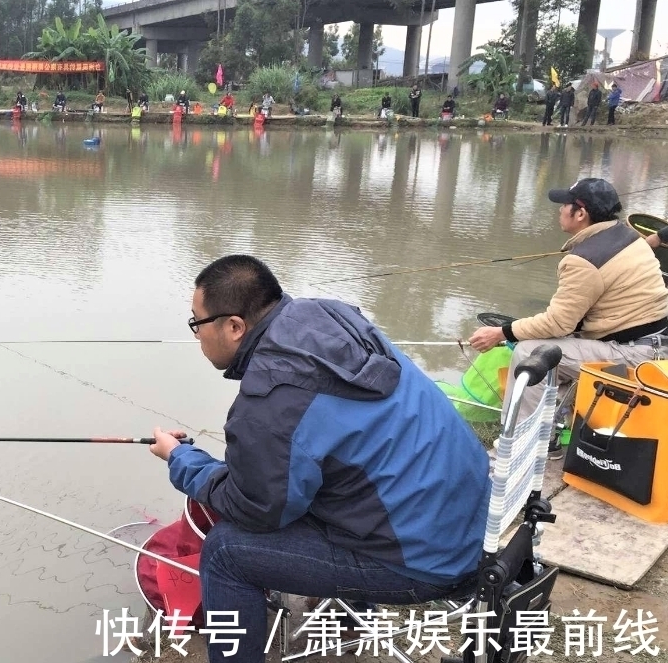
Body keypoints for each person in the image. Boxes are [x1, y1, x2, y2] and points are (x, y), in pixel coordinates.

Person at [150, 255, 492, 663]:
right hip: (473, 522)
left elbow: (255, 508)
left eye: (197, 323)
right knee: (325, 474)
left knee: (226, 553)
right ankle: (349, 619)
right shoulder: (330, 316)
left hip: (428, 561)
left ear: (235, 326)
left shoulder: (270, 401)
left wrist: (181, 459)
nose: (196, 336)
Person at [469, 178, 668, 458]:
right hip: (653, 343)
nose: (560, 210)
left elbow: (558, 323)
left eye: (564, 205)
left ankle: (519, 448)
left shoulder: (584, 260)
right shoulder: (628, 236)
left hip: (634, 354)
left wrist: (502, 332)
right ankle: (548, 433)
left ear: (580, 214)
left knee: (532, 352)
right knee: (556, 344)